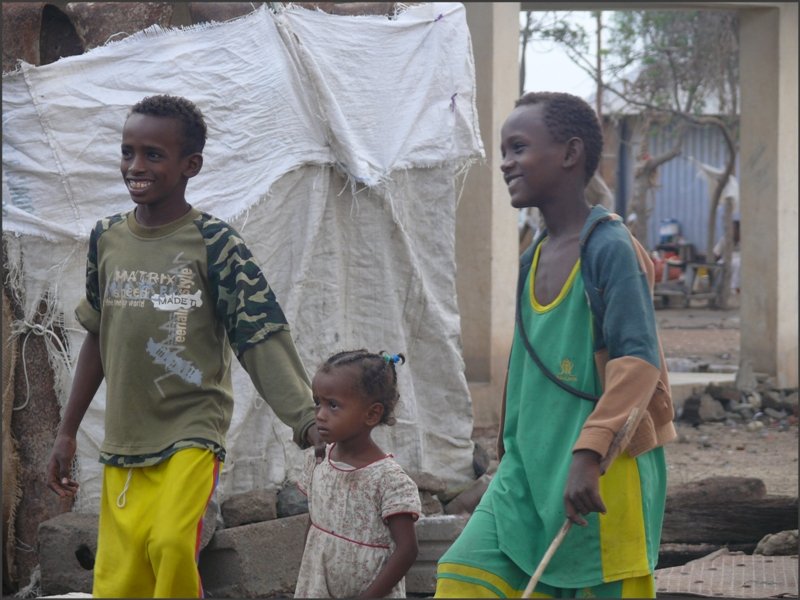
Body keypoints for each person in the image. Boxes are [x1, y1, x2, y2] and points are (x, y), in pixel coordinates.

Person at [46, 94, 323, 598]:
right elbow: (99, 337)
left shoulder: (215, 243)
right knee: (122, 575)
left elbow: (260, 335)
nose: (135, 165)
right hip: (125, 439)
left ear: (190, 164)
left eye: (153, 154)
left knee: (172, 545)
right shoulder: (106, 238)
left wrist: (306, 420)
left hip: (193, 427)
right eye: (128, 151)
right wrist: (67, 432)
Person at [435, 91, 676, 598]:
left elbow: (638, 362)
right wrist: (505, 459)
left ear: (569, 154)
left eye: (518, 148)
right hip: (528, 471)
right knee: (462, 575)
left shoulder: (609, 247)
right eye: (503, 151)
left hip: (600, 471)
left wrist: (588, 455)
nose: (505, 163)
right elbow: (525, 373)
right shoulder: (531, 258)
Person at [295, 349, 421, 598]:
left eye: (333, 405)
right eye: (317, 402)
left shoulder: (389, 479)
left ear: (372, 414)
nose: (320, 415)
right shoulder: (319, 461)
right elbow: (316, 523)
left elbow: (407, 550)